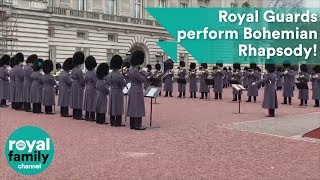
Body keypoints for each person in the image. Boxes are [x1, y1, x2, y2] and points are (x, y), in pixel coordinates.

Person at [127, 50, 146, 130]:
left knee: (132, 107)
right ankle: (138, 125)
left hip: (132, 88)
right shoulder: (135, 71)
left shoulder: (131, 70)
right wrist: (143, 73)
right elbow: (142, 79)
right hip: (137, 89)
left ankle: (132, 124)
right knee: (138, 107)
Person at [106, 55, 127, 127]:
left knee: (112, 106)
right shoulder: (119, 76)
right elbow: (123, 84)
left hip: (111, 91)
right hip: (118, 91)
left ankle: (112, 121)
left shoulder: (109, 75)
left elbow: (107, 83)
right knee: (118, 106)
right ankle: (118, 122)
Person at [71, 51, 85, 120]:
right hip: (78, 85)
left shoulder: (73, 69)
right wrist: (83, 85)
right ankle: (78, 115)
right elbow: (82, 80)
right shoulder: (79, 70)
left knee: (74, 99)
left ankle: (75, 114)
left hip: (74, 85)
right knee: (79, 99)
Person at [83, 56, 97, 121]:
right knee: (92, 102)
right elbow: (95, 81)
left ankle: (87, 115)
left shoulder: (87, 73)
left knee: (87, 101)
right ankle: (92, 116)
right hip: (93, 88)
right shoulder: (94, 73)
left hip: (87, 87)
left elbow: (85, 81)